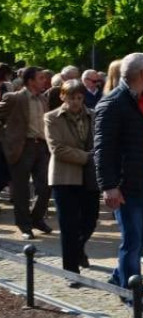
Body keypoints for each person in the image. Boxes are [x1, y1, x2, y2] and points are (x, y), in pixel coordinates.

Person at [94, 53, 143, 318]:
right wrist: (109, 186)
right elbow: (103, 150)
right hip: (128, 185)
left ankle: (119, 277)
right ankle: (133, 297)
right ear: (142, 74)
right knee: (133, 240)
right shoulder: (112, 103)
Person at [43, 80, 100, 284]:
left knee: (90, 220)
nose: (75, 102)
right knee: (68, 225)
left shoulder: (93, 115)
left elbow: (100, 142)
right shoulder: (52, 117)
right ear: (62, 97)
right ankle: (71, 272)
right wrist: (87, 156)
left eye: (79, 97)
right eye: (70, 98)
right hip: (64, 177)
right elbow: (57, 149)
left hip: (89, 177)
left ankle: (77, 250)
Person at [0, 66, 53, 239]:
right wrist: (6, 140)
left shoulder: (43, 99)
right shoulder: (14, 98)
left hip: (42, 147)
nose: (44, 81)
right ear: (30, 81)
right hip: (22, 147)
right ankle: (24, 225)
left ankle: (36, 219)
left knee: (45, 186)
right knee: (21, 190)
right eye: (40, 78)